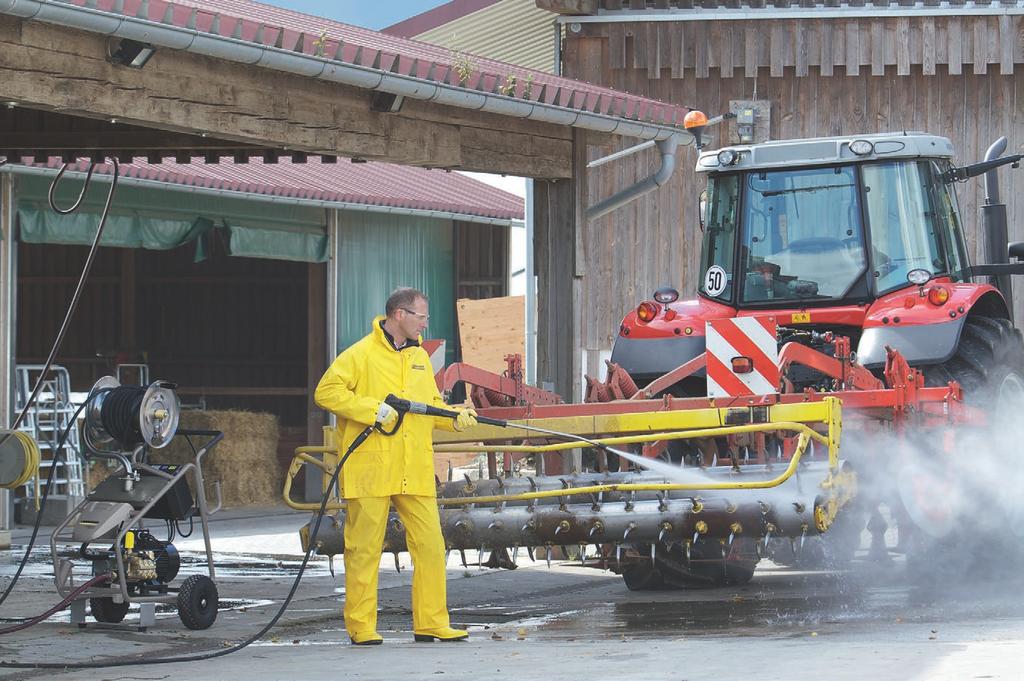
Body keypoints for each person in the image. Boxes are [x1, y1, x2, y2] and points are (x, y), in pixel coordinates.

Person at [314, 287, 477, 646]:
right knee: (364, 549)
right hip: (372, 468)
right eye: (421, 317)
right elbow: (326, 392)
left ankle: (431, 623)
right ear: (400, 315)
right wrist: (373, 410)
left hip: (413, 469)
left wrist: (455, 417)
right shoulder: (360, 355)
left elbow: (430, 406)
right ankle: (361, 627)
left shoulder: (419, 360)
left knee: (432, 546)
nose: (425, 323)